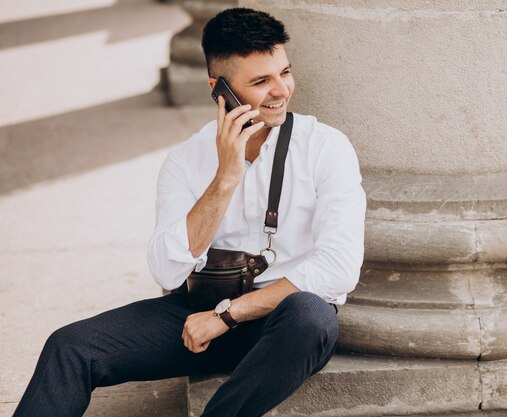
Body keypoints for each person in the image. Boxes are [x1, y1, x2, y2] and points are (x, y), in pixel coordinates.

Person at [13, 7, 365, 417]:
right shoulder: (185, 161)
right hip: (195, 316)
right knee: (69, 346)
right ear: (220, 90)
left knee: (312, 316)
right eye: (260, 81)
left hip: (279, 325)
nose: (281, 90)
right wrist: (226, 178)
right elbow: (167, 269)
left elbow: (339, 268)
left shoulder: (326, 146)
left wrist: (228, 316)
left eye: (283, 73)